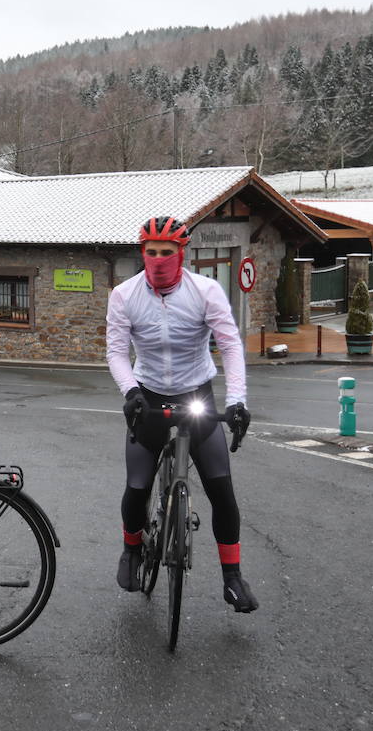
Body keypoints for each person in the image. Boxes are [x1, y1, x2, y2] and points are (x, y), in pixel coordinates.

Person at [104, 215, 258, 613]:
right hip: (149, 400)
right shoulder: (124, 295)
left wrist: (237, 400)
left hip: (197, 396)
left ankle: (232, 578)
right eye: (151, 252)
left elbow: (231, 346)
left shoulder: (206, 291)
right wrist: (131, 391)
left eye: (166, 252)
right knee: (137, 487)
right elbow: (117, 352)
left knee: (222, 491)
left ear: (181, 253)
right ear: (143, 252)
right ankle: (132, 549)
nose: (157, 259)